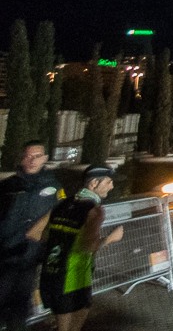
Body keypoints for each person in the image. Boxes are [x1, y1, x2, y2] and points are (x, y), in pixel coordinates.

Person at [35, 164, 122, 331]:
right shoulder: (94, 210)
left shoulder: (61, 204)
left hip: (52, 274)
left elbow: (38, 234)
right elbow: (88, 245)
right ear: (93, 183)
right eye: (108, 182)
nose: (112, 187)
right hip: (74, 279)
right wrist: (111, 238)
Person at [0, 141, 64, 330]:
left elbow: (61, 215)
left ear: (44, 159)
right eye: (28, 156)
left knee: (20, 303)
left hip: (30, 255)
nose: (31, 160)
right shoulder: (8, 185)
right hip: (5, 254)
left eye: (37, 156)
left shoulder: (54, 188)